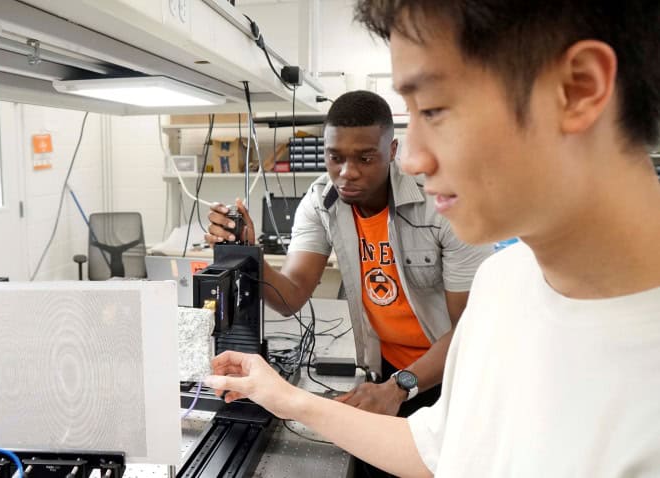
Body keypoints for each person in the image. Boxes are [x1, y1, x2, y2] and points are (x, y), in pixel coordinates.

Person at [204, 1, 660, 476]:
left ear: (577, 90)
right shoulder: (502, 286)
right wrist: (282, 397)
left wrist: (400, 385)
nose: (414, 160)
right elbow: (438, 449)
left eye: (435, 109)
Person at [206, 90, 490, 433]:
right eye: (335, 157)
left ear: (393, 150)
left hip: (450, 377)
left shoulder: (442, 205)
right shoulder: (320, 202)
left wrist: (401, 386)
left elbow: (472, 328)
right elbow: (291, 295)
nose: (346, 173)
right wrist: (251, 255)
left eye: (365, 159)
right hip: (384, 371)